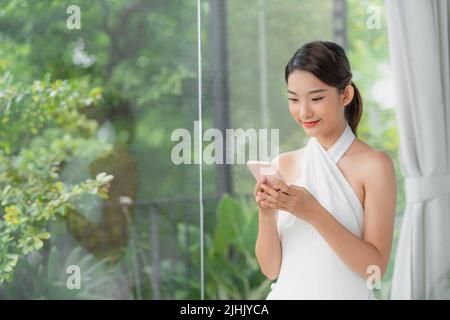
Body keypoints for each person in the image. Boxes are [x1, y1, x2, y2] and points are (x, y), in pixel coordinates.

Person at [254, 40, 397, 299]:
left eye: (317, 98)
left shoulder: (375, 166)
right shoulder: (283, 165)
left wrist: (313, 212)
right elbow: (271, 270)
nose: (304, 111)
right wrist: (267, 215)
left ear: (346, 95)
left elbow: (375, 270)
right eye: (294, 99)